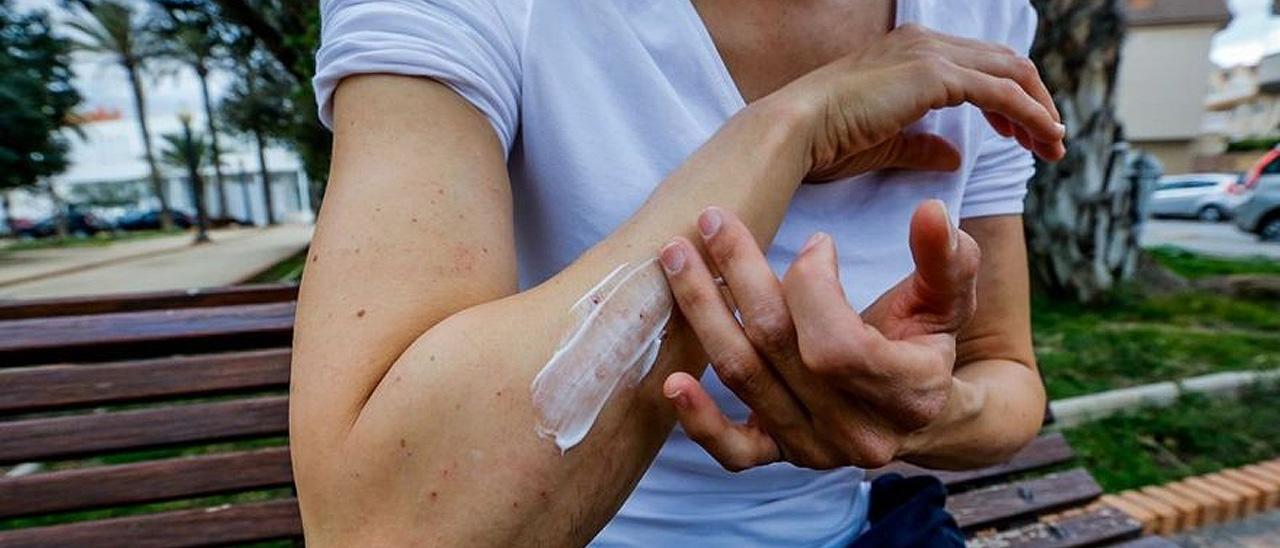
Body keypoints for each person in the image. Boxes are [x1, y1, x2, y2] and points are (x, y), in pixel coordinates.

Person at [295, 0, 1066, 545]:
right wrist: (791, 126)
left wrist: (920, 410)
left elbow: (1008, 376)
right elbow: (382, 527)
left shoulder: (981, 18)